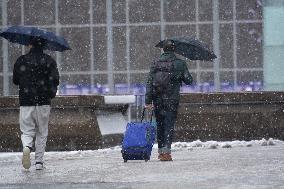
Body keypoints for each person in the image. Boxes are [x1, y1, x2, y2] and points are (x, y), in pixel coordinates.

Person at [13, 37, 59, 170]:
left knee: (27, 131)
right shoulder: (49, 61)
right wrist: (50, 93)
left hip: (26, 101)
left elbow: (16, 80)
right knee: (42, 132)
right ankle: (39, 162)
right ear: (43, 46)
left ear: (29, 45)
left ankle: (27, 147)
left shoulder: (21, 60)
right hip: (43, 101)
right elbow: (55, 80)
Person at [145, 40, 193, 161]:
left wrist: (148, 101)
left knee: (160, 125)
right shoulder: (179, 63)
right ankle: (166, 153)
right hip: (171, 99)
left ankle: (161, 152)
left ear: (163, 49)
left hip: (158, 99)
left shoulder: (155, 63)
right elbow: (189, 80)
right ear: (173, 50)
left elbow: (149, 82)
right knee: (169, 125)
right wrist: (180, 75)